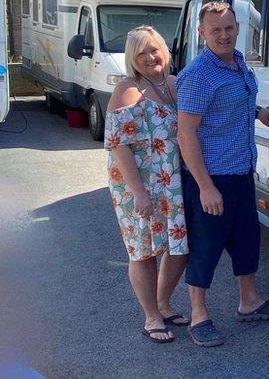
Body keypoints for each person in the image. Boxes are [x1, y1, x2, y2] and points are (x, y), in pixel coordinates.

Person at [176, 1, 269, 347]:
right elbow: (186, 135)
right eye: (215, 30)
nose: (223, 35)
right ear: (202, 33)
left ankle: (249, 302)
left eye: (229, 27)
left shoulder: (238, 62)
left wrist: (259, 112)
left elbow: (232, 103)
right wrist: (205, 186)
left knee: (246, 241)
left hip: (241, 170)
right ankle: (199, 316)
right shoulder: (198, 75)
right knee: (206, 247)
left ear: (237, 27)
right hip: (212, 178)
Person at [105, 25, 189, 343]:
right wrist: (138, 191)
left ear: (164, 50)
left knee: (178, 246)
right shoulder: (129, 89)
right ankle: (151, 315)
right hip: (136, 185)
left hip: (171, 181)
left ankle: (164, 304)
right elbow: (117, 142)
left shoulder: (173, 84)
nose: (149, 57)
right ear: (132, 59)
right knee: (143, 252)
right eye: (141, 53)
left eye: (153, 49)